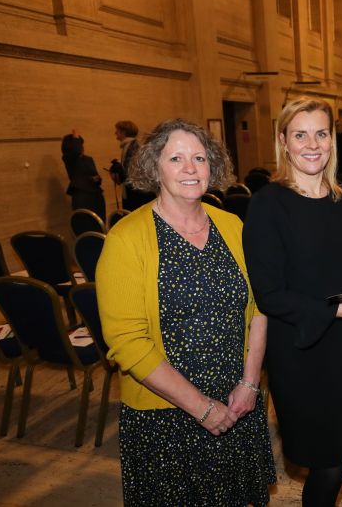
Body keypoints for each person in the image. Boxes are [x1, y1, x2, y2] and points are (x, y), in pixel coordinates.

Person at [96, 119, 276, 506]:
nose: (190, 169)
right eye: (175, 158)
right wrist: (202, 407)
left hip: (236, 402)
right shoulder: (126, 239)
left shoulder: (232, 225)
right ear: (153, 168)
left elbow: (259, 306)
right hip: (167, 417)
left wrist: (249, 383)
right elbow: (127, 343)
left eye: (198, 157)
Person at [243, 97, 342, 507]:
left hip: (341, 349)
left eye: (321, 134)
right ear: (283, 142)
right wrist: (341, 310)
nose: (312, 144)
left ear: (333, 140)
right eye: (300, 134)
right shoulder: (268, 204)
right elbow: (269, 294)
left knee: (339, 447)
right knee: (325, 461)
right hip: (298, 349)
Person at [61, 130, 106, 220]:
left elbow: (95, 174)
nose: (82, 147)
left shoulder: (88, 159)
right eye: (79, 143)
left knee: (99, 221)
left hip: (96, 194)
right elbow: (76, 151)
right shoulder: (69, 159)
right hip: (81, 196)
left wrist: (97, 179)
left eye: (81, 144)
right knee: (85, 222)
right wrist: (75, 137)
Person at [111, 120, 154, 211]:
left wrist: (119, 173)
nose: (115, 133)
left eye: (117, 131)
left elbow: (133, 173)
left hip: (138, 196)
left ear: (123, 132)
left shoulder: (133, 147)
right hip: (136, 194)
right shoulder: (129, 146)